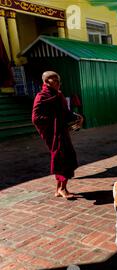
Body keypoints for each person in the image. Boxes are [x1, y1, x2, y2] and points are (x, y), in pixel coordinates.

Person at [32, 71, 83, 199]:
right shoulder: (41, 96)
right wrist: (55, 121)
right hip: (53, 132)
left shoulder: (59, 95)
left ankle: (59, 189)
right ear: (45, 82)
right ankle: (62, 189)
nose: (57, 83)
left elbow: (65, 112)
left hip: (62, 132)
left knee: (65, 156)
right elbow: (36, 118)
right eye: (53, 80)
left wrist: (77, 117)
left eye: (58, 80)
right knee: (62, 158)